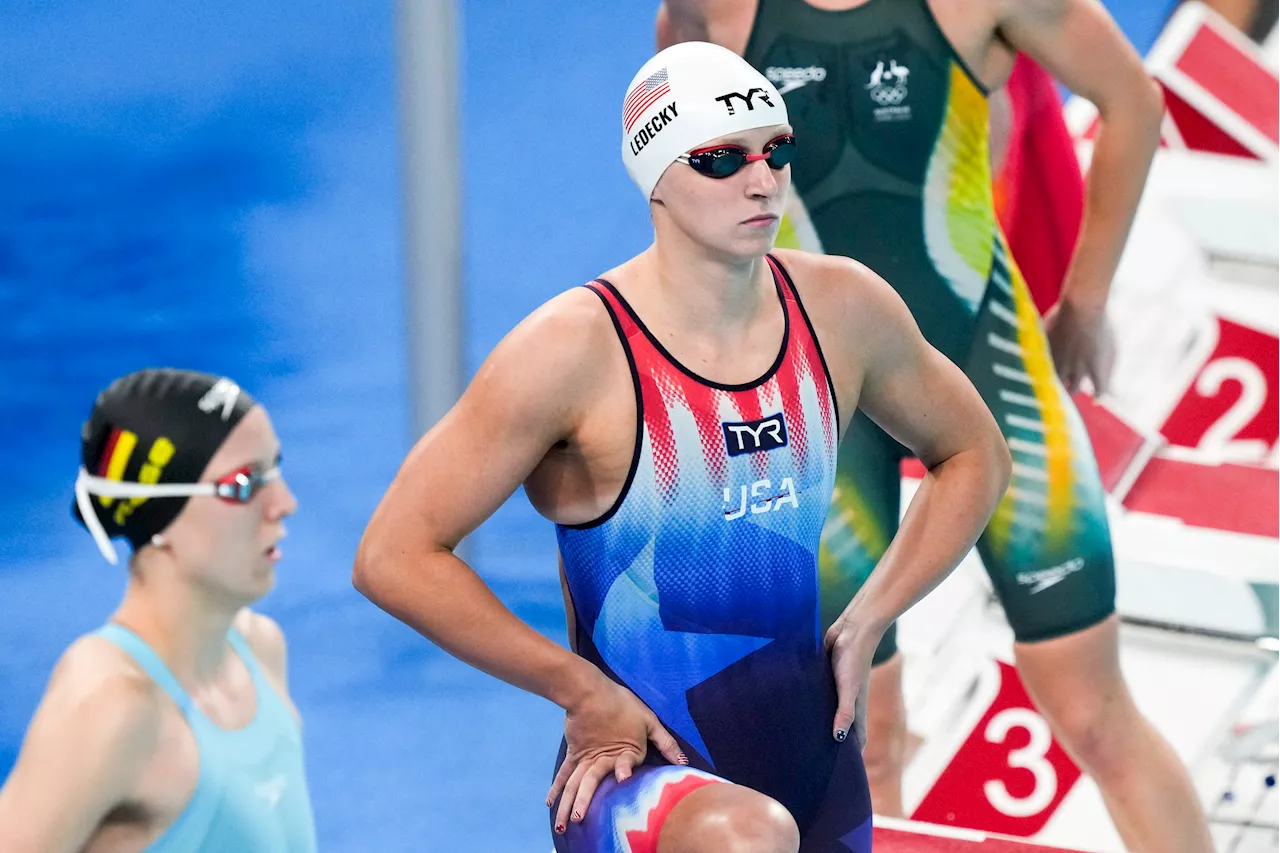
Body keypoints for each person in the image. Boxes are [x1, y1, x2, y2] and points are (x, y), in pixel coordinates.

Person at [353, 41, 1010, 852]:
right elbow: (394, 553)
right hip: (644, 777)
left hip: (815, 762)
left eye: (776, 151)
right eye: (720, 159)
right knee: (747, 838)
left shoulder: (842, 309)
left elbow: (975, 453)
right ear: (655, 176)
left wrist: (869, 618)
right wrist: (578, 689)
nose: (762, 178)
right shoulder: (571, 351)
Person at [656, 1, 1215, 850]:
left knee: (1092, 712)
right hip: (821, 405)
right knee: (857, 737)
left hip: (987, 374)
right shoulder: (708, 10)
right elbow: (671, 181)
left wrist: (1088, 300)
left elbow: (1132, 101)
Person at [0, 369, 316, 853]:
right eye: (242, 484)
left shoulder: (259, 649)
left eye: (275, 469)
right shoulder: (110, 706)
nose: (285, 503)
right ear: (156, 516)